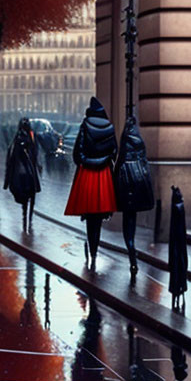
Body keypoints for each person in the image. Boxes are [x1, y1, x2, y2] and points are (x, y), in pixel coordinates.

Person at [64, 97, 118, 268]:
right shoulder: (110, 128)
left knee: (89, 215)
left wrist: (86, 161)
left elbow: (76, 154)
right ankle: (95, 246)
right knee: (99, 216)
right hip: (103, 176)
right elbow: (114, 152)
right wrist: (105, 162)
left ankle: (91, 248)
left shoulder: (85, 126)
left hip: (87, 174)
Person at [114, 115, 155, 280]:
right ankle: (132, 253)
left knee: (127, 227)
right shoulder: (140, 144)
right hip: (137, 188)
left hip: (126, 189)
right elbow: (144, 164)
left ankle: (131, 252)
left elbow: (119, 163)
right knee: (132, 221)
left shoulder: (124, 145)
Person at [4, 117, 42, 229]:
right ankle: (27, 217)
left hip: (29, 165)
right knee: (30, 190)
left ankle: (27, 216)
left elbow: (35, 150)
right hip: (26, 166)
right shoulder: (22, 136)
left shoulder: (30, 135)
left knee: (31, 190)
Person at [169, 185, 188, 311]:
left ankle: (176, 292)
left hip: (176, 243)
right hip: (181, 244)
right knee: (180, 266)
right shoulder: (181, 207)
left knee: (176, 268)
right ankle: (180, 292)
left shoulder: (175, 208)